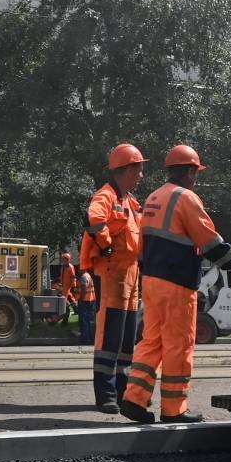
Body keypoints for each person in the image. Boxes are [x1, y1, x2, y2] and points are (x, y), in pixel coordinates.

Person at [120, 145, 231, 425]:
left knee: (151, 341)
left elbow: (142, 245)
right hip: (177, 283)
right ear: (190, 171)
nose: (196, 178)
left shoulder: (154, 197)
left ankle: (133, 400)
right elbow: (209, 240)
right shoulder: (186, 198)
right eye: (196, 172)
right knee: (179, 344)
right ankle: (174, 409)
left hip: (152, 280)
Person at [81, 143, 145, 413]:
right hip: (112, 273)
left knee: (127, 337)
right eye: (139, 169)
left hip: (130, 274)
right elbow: (93, 218)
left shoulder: (130, 201)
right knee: (110, 335)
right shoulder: (106, 195)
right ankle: (106, 394)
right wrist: (105, 244)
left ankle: (122, 392)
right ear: (126, 169)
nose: (141, 175)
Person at [73, 266, 97, 346]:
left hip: (85, 301)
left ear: (83, 269)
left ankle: (85, 339)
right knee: (89, 321)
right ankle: (89, 338)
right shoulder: (87, 275)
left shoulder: (83, 277)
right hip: (90, 300)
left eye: (79, 268)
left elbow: (84, 289)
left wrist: (80, 299)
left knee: (84, 321)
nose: (77, 270)